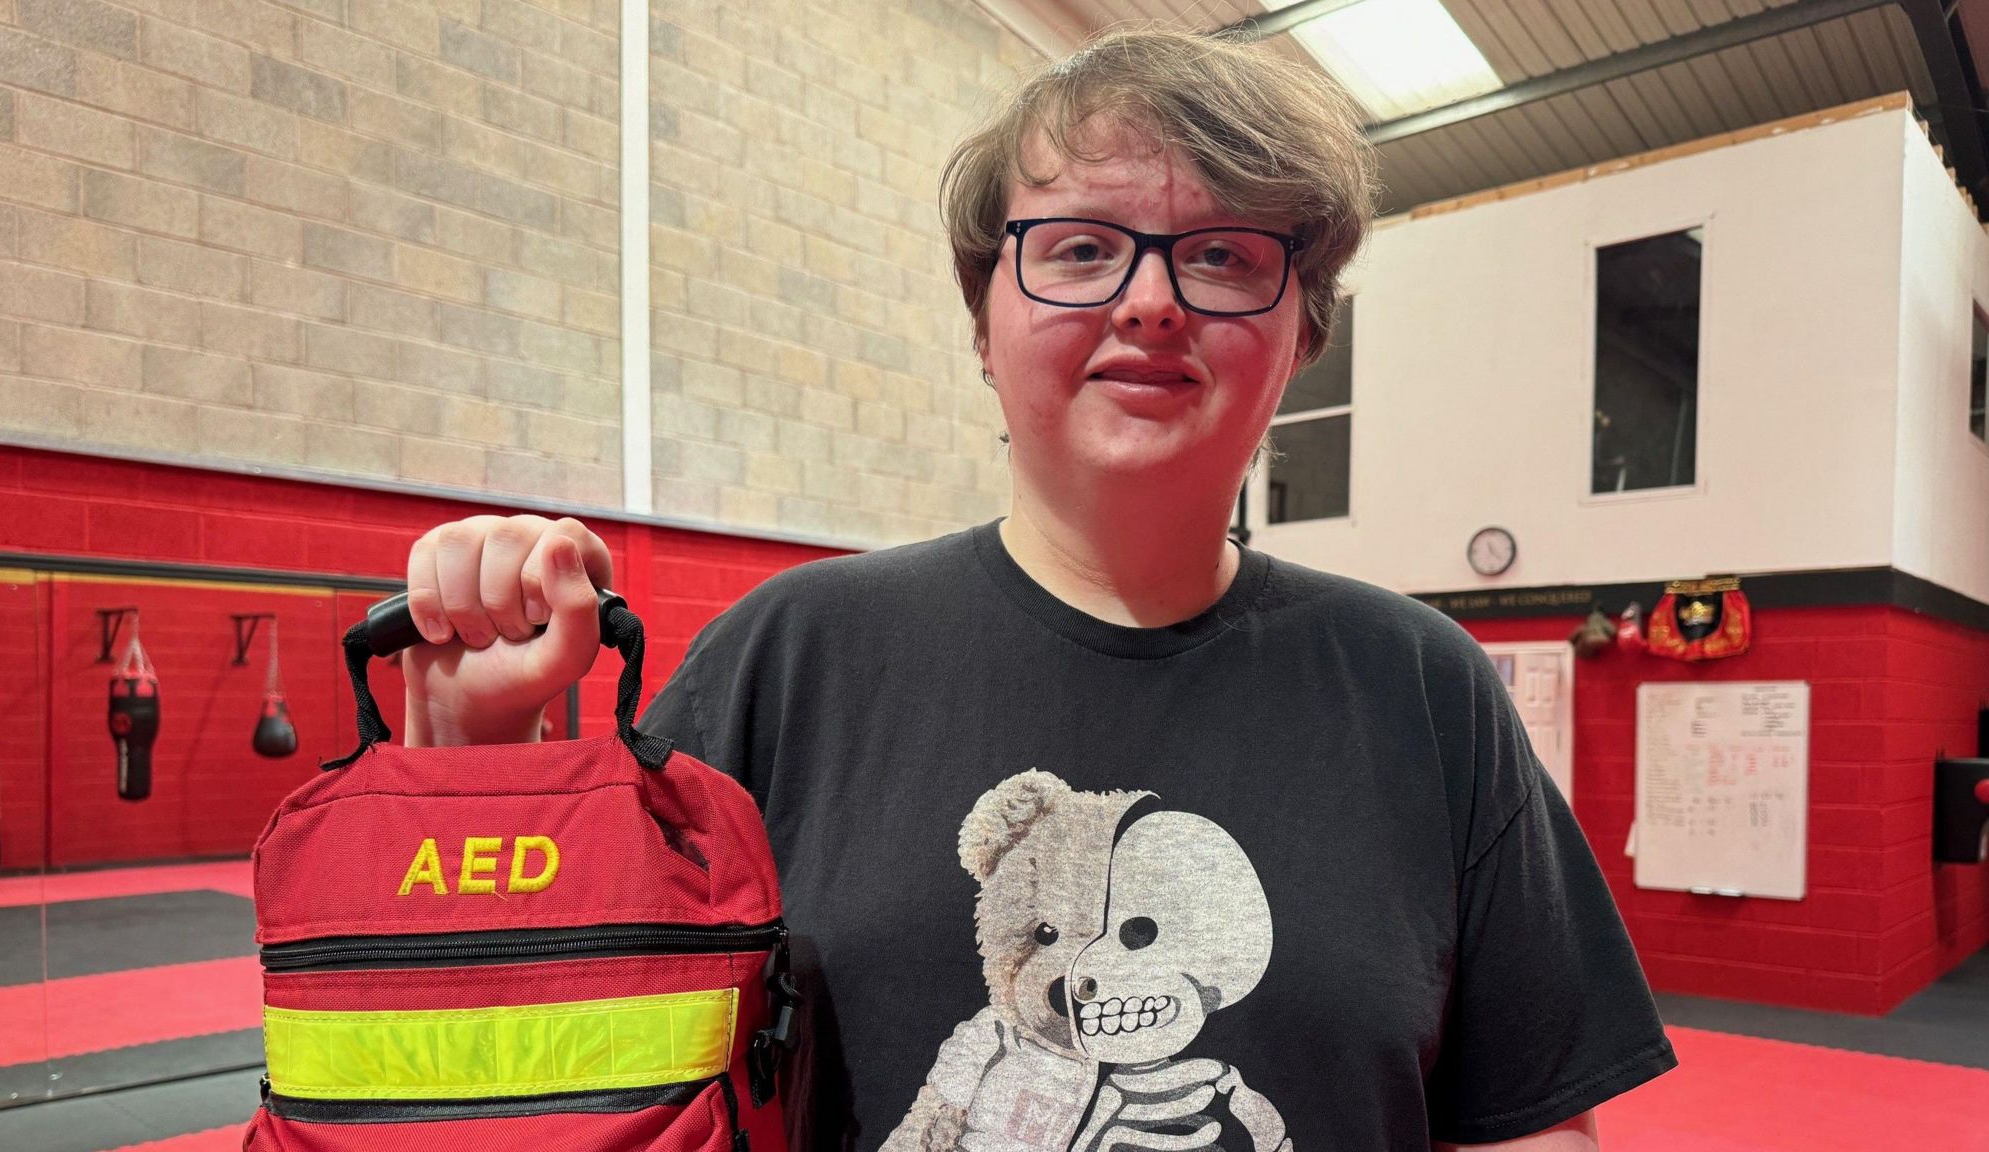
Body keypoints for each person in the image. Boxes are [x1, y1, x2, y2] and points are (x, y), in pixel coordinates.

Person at [398, 26, 1674, 1152]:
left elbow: (1524, 1118)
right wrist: (466, 754)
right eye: (1077, 249)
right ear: (982, 317)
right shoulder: (792, 656)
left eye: (1224, 258)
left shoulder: (1421, 687)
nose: (1150, 302)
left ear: (1302, 334)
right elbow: (545, 1055)